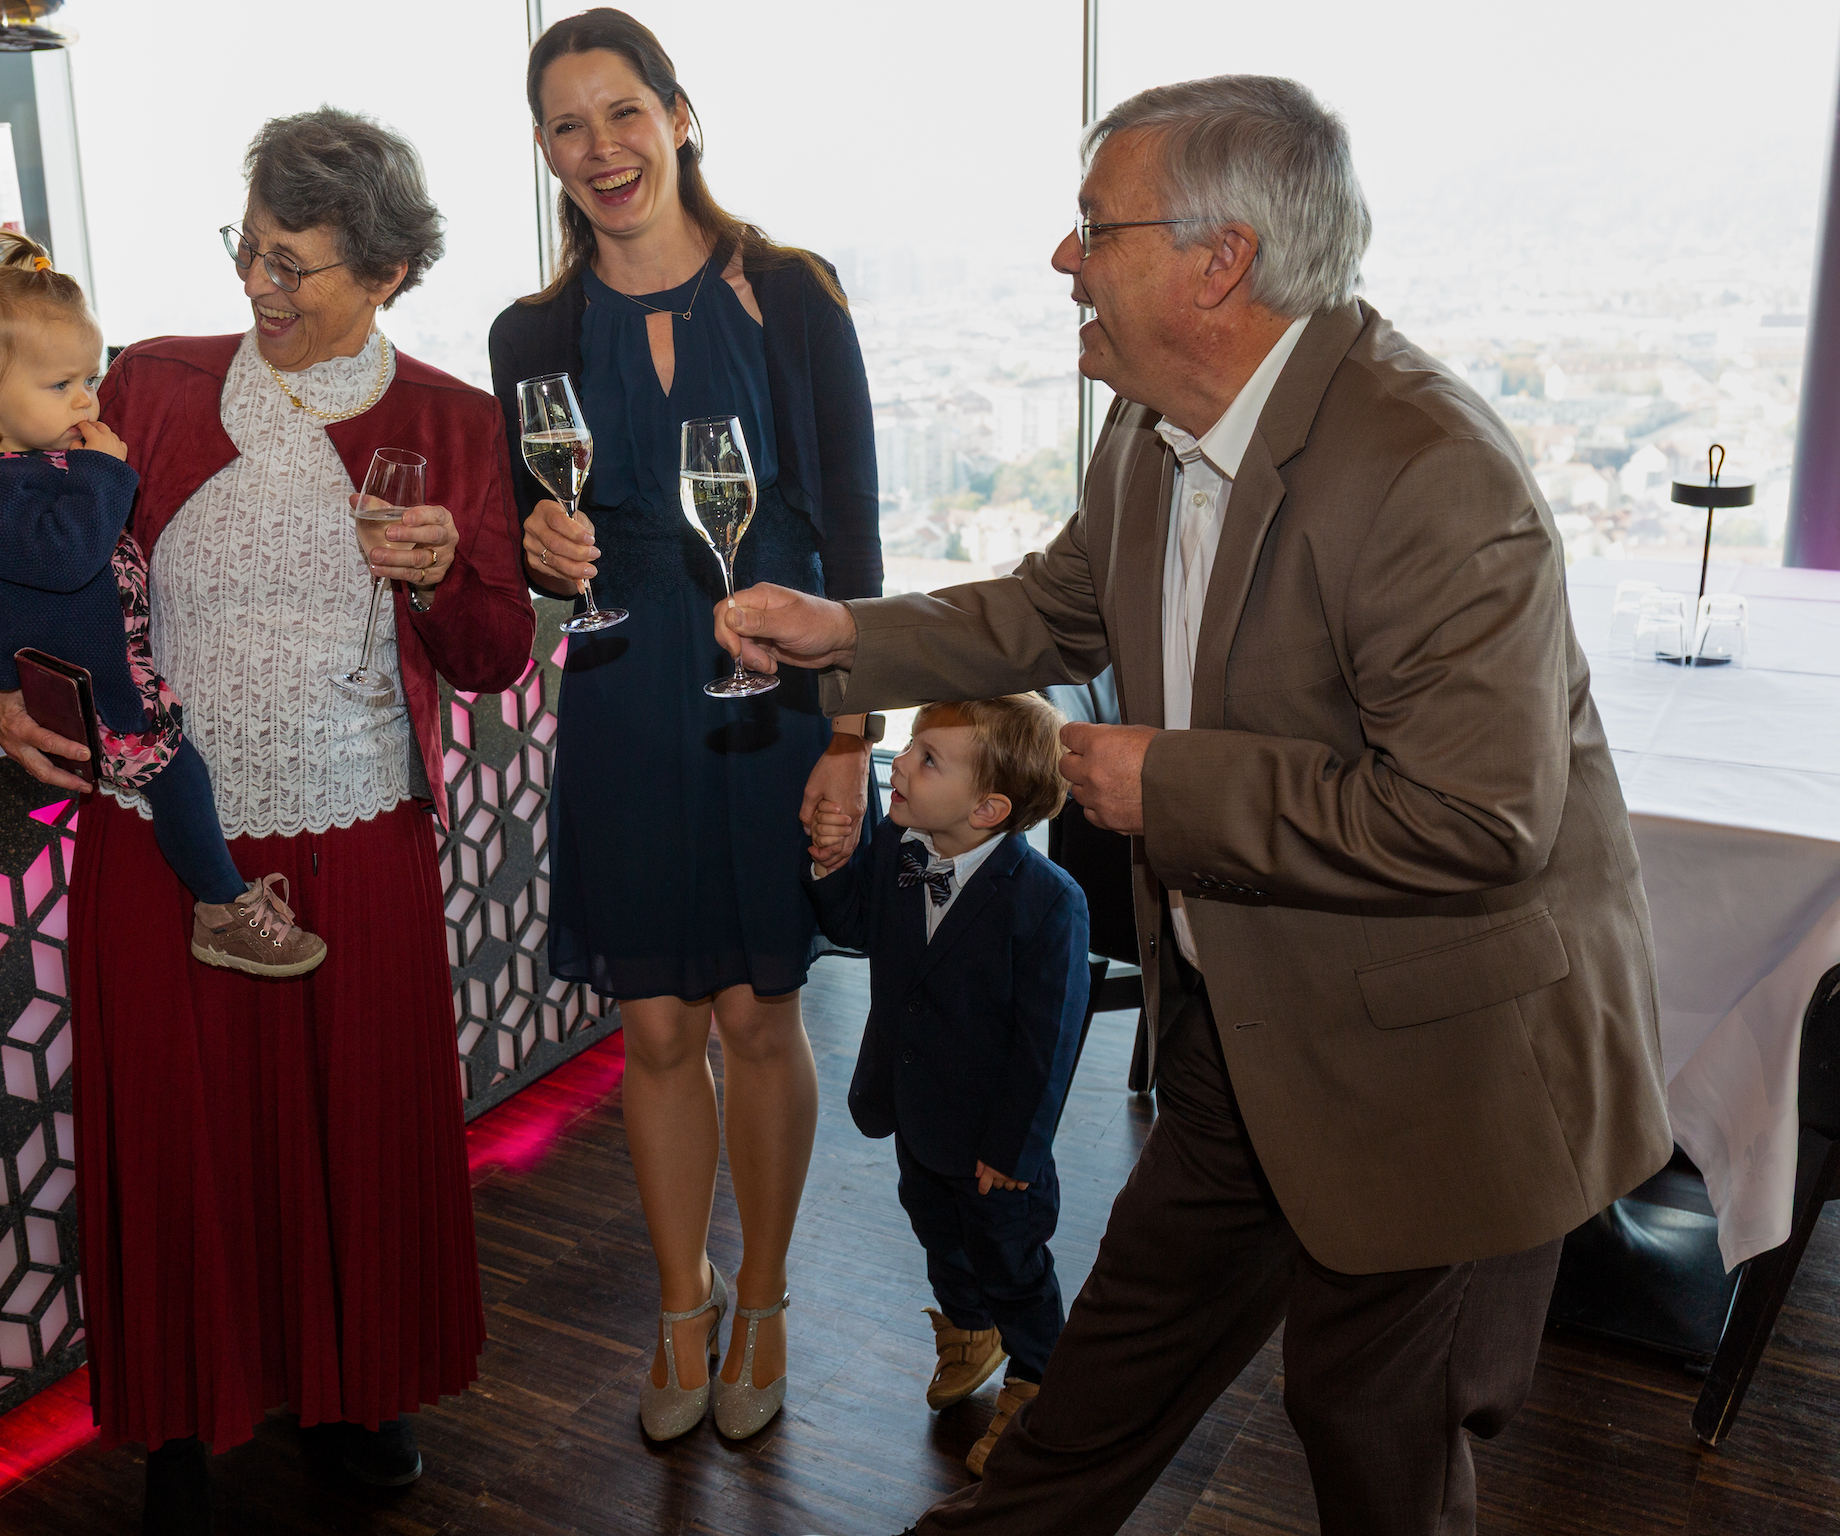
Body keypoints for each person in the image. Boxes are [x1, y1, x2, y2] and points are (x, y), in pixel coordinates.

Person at [723, 75, 1670, 1536]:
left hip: (1436, 1063)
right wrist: (842, 633)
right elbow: (1051, 608)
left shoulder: (1429, 471)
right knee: (1096, 1399)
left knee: (1370, 1434)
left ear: (1220, 262)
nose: (1063, 258)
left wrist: (1168, 782)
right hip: (1247, 1029)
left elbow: (1480, 819)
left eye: (1094, 225)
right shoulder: (1153, 431)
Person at [0, 109, 534, 1531]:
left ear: (388, 272)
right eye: (251, 249)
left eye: (297, 265)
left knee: (356, 1130)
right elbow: (7, 537)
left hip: (359, 823)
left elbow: (489, 656)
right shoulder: (148, 384)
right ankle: (180, 1414)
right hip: (165, 834)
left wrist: (444, 575)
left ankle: (359, 1388)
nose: (260, 286)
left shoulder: (456, 424)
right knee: (180, 1136)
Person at [487, 7, 883, 1444]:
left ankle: (762, 1296)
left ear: (679, 115)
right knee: (654, 1023)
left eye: (623, 113)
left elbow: (855, 534)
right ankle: (679, 1304)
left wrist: (850, 740)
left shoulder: (791, 295)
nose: (600, 148)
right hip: (620, 693)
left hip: (771, 693)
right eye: (567, 125)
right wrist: (538, 547)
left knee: (759, 1013)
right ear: (545, 151)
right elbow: (533, 533)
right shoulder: (530, 333)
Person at [0, 230, 326, 980]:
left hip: (111, 671)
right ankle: (222, 908)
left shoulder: (36, 461)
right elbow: (67, 558)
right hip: (86, 693)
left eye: (90, 376)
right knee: (178, 776)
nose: (87, 399)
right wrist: (102, 472)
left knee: (183, 773)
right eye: (60, 385)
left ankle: (223, 902)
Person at [804, 695, 1089, 1478]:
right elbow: (854, 925)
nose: (900, 763)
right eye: (911, 746)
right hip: (918, 1112)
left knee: (1010, 1259)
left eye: (928, 758)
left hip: (997, 1139)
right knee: (934, 1227)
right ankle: (969, 1327)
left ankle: (1037, 1374)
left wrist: (1015, 1149)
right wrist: (830, 863)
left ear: (988, 808)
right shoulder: (901, 851)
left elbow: (1048, 1044)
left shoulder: (1048, 902)